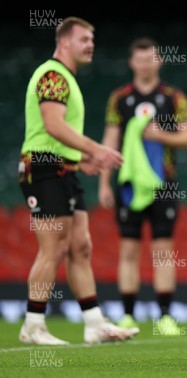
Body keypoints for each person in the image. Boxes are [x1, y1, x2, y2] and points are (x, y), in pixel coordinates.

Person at [18, 17, 138, 345]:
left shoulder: (65, 79)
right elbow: (53, 125)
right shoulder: (54, 75)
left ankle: (95, 324)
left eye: (92, 40)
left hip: (63, 169)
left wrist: (81, 159)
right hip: (43, 170)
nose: (91, 45)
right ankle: (33, 325)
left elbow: (54, 132)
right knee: (53, 248)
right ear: (64, 42)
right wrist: (95, 149)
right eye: (84, 39)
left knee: (80, 246)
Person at [99, 37, 187, 335]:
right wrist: (105, 183)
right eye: (139, 59)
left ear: (159, 61)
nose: (145, 64)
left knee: (162, 251)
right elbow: (110, 140)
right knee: (128, 250)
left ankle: (165, 316)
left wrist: (160, 136)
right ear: (132, 62)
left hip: (163, 184)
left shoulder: (173, 96)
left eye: (150, 58)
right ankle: (128, 315)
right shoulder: (119, 98)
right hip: (128, 184)